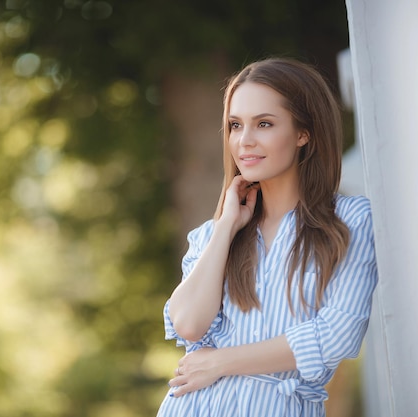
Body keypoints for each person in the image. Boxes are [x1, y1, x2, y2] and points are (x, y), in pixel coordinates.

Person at [156, 58, 378, 417]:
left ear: (304, 133)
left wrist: (221, 362)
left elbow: (336, 335)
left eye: (264, 124)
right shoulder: (212, 235)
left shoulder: (350, 221)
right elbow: (189, 324)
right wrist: (227, 226)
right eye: (235, 125)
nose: (245, 141)